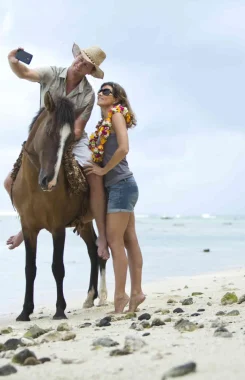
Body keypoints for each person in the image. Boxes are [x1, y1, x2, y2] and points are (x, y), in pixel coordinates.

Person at [4, 43, 109, 259]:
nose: (81, 64)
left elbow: (78, 128)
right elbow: (26, 73)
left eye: (87, 65)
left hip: (72, 139)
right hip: (44, 136)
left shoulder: (88, 94)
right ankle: (26, 225)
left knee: (94, 175)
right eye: (80, 58)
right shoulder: (52, 73)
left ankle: (101, 234)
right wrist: (13, 62)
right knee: (8, 182)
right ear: (76, 56)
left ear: (91, 71)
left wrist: (62, 141)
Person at [83, 82, 145, 313]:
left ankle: (120, 297)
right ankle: (136, 293)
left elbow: (124, 148)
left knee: (115, 242)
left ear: (117, 98)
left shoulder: (117, 116)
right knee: (129, 240)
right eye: (100, 90)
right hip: (123, 186)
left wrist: (102, 170)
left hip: (121, 185)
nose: (101, 93)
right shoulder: (104, 123)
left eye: (106, 91)